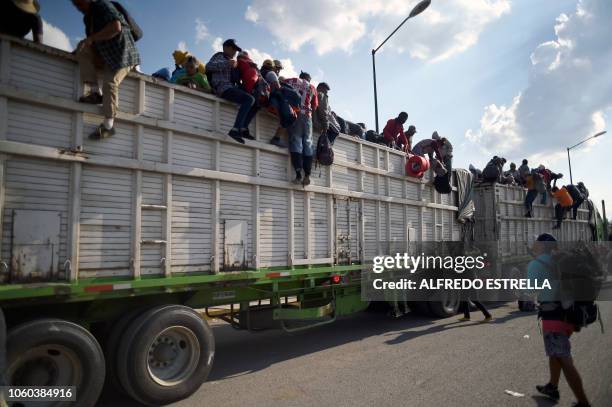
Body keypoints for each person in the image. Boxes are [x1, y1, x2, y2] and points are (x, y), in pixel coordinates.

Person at [529, 233, 591, 407]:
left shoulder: (537, 263)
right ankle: (552, 386)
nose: (533, 243)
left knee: (564, 359)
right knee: (555, 353)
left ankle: (583, 402)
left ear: (542, 245)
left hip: (553, 317)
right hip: (569, 316)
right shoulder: (560, 259)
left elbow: (531, 289)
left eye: (536, 241)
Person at [72, 0, 141, 140]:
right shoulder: (88, 18)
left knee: (110, 83)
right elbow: (91, 42)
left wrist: (91, 38)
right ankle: (96, 92)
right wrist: (80, 48)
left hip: (123, 53)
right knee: (82, 48)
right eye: (75, 5)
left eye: (79, 4)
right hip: (107, 55)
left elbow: (116, 27)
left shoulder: (102, 6)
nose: (78, 8)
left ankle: (109, 126)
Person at [207, 39, 258, 144]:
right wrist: (227, 63)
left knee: (256, 103)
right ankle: (235, 130)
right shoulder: (219, 56)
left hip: (231, 87)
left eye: (236, 50)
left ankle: (243, 128)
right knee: (249, 99)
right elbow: (208, 67)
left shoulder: (233, 61)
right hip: (222, 88)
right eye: (233, 48)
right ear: (225, 47)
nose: (235, 52)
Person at [284, 71, 318, 186]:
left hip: (296, 113)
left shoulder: (292, 81)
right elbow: (314, 106)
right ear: (309, 79)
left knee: (296, 142)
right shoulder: (312, 88)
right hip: (307, 117)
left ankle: (298, 174)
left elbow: (280, 82)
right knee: (308, 144)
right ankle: (307, 175)